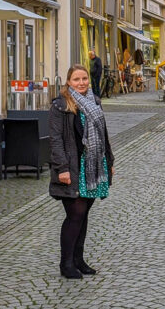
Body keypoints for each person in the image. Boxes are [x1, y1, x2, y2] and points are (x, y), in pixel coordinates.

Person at [49, 65, 115, 279]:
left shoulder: (95, 102)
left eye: (84, 78)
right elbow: (56, 139)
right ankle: (66, 263)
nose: (82, 82)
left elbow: (103, 133)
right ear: (69, 82)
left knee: (83, 214)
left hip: (94, 166)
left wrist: (110, 159)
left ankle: (79, 260)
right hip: (73, 167)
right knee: (75, 214)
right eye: (76, 79)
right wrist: (62, 168)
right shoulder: (61, 105)